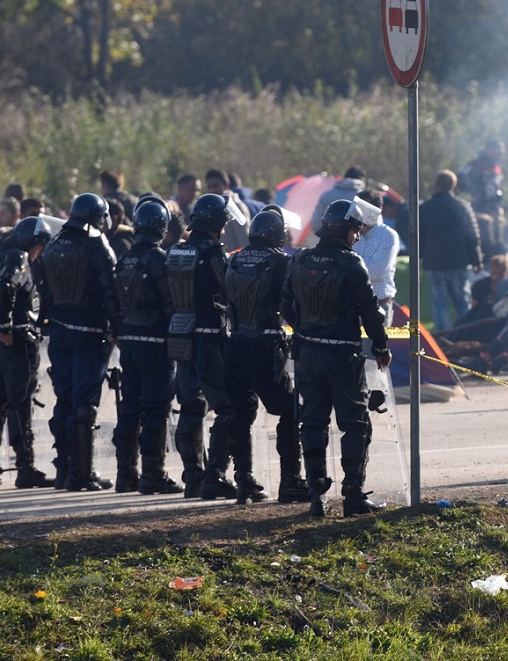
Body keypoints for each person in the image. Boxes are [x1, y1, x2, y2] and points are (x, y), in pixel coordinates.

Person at [283, 198, 392, 518]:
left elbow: (285, 303)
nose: (357, 237)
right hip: (344, 356)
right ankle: (353, 495)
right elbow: (371, 312)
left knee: (312, 424)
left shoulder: (300, 259)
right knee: (356, 425)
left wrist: (304, 329)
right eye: (355, 231)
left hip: (307, 355)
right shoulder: (351, 263)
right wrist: (381, 347)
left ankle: (316, 496)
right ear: (345, 231)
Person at [224, 209, 310, 505]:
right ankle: (291, 480)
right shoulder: (282, 261)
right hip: (267, 345)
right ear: (277, 234)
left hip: (236, 343)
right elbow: (291, 304)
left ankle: (243, 480)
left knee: (240, 414)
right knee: (290, 410)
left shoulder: (234, 259)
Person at [39, 192, 121, 491]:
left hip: (59, 332)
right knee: (84, 404)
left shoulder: (53, 243)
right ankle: (82, 474)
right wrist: (117, 327)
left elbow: (43, 290)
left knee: (64, 399)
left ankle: (64, 469)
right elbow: (110, 293)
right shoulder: (97, 245)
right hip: (88, 333)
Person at [0, 215, 56, 489]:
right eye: (39, 247)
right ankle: (25, 467)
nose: (39, 254)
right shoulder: (17, 258)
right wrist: (5, 326)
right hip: (15, 343)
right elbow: (5, 287)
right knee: (19, 405)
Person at [166, 192, 238, 498]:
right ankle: (215, 475)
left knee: (190, 406)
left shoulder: (177, 251)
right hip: (209, 337)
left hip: (181, 337)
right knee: (227, 407)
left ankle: (193, 476)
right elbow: (230, 290)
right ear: (216, 223)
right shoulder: (213, 253)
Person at [112, 199, 184, 495]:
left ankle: (125, 473)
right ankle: (153, 473)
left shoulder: (124, 259)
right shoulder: (161, 261)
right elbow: (171, 305)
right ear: (162, 227)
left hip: (128, 341)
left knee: (129, 407)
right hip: (155, 343)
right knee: (155, 409)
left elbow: (114, 302)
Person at [418, 170, 483, 331]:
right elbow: (472, 236)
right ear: (453, 186)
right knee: (463, 303)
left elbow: (419, 236)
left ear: (437, 184)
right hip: (458, 263)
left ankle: (443, 338)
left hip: (434, 264)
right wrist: (477, 260)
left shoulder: (425, 208)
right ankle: (464, 335)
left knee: (440, 305)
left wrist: (419, 260)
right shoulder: (462, 207)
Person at [352, 190, 400, 323]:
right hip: (351, 305)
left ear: (378, 210)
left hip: (378, 305)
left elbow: (377, 271)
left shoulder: (388, 235)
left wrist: (349, 271)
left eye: (364, 206)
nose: (360, 211)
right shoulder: (351, 233)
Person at [460, 139, 506, 243]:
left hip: (494, 209)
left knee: (495, 240)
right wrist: (474, 192)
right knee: (481, 239)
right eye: (498, 150)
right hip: (479, 209)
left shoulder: (496, 166)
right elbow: (460, 176)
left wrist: (500, 203)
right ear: (489, 150)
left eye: (501, 150)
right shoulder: (477, 164)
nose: (500, 153)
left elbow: (499, 185)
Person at [311, 167, 367, 232]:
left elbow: (315, 223)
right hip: (352, 237)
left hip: (325, 236)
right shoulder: (364, 198)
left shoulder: (327, 194)